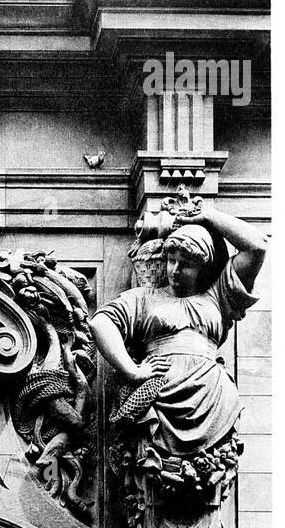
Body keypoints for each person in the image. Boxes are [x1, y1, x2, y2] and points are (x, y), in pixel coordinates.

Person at [90, 200, 267, 467]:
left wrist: (206, 216)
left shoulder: (217, 297)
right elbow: (101, 322)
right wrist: (131, 370)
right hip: (160, 398)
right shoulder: (144, 298)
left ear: (202, 267)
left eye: (185, 264)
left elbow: (257, 246)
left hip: (212, 398)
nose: (174, 269)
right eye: (171, 260)